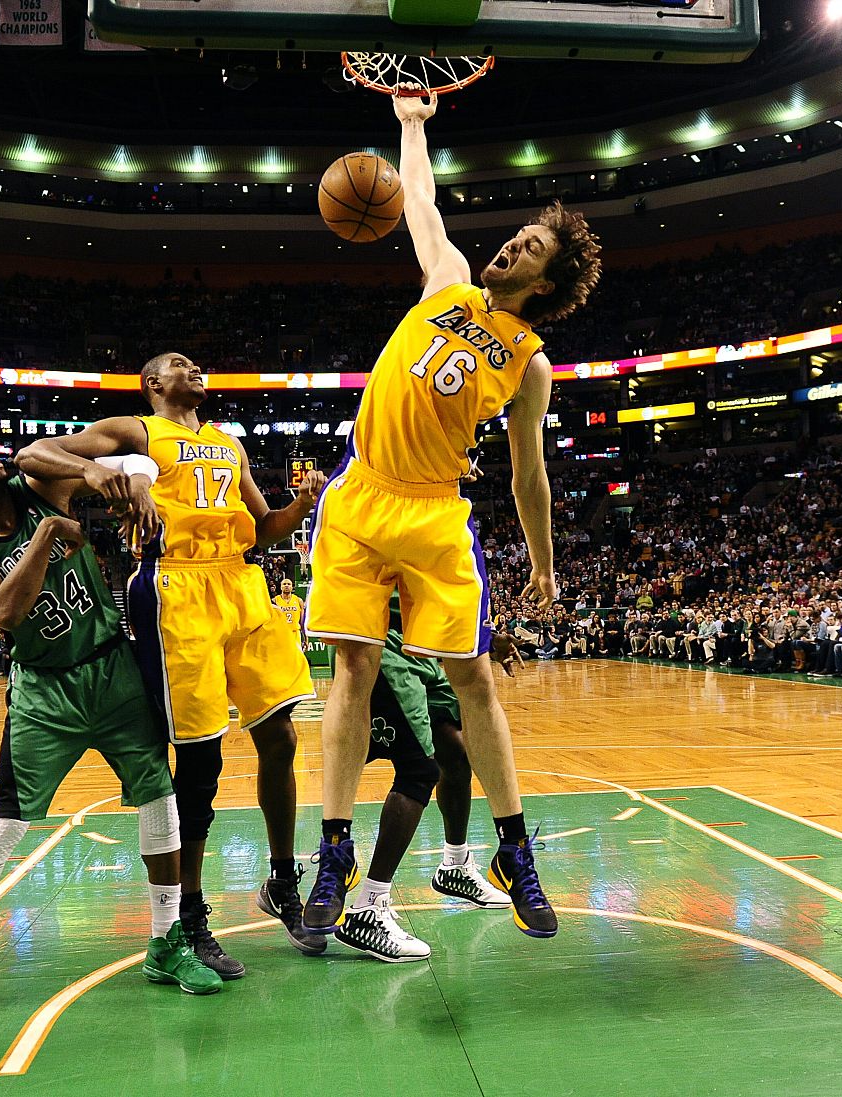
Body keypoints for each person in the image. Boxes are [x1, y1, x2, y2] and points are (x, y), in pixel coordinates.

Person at [303, 85, 602, 942]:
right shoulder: (450, 281)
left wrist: (544, 563)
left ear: (548, 282)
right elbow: (421, 204)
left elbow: (529, 477)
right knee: (352, 674)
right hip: (359, 496)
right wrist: (410, 124)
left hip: (435, 513)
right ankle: (335, 852)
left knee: (471, 680)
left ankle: (513, 851)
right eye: (520, 234)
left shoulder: (530, 360)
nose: (514, 242)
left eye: (532, 245)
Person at [16, 353, 324, 979]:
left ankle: (283, 883)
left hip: (242, 582)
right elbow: (31, 456)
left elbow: (263, 529)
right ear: (154, 383)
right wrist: (101, 476)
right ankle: (190, 913)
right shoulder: (135, 431)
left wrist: (301, 506)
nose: (197, 369)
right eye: (182, 365)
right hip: (174, 588)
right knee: (201, 759)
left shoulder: (227, 444)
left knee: (281, 734)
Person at [0, 433, 219, 1029]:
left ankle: (166, 942)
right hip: (45, 691)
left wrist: (131, 482)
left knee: (159, 799)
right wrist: (48, 535)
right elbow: (4, 611)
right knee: (7, 823)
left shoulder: (42, 486)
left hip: (113, 670)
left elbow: (122, 462)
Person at [333, 596, 516, 962]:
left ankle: (456, 864)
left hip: (430, 647)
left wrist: (482, 636)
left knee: (456, 754)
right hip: (387, 645)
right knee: (417, 770)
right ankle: (367, 904)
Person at [273, 577, 306, 648]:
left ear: (292, 587)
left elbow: (302, 622)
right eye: (284, 584)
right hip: (280, 634)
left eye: (289, 584)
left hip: (295, 633)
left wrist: (306, 638)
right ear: (281, 587)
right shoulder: (275, 601)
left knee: (296, 658)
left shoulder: (298, 600)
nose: (286, 585)